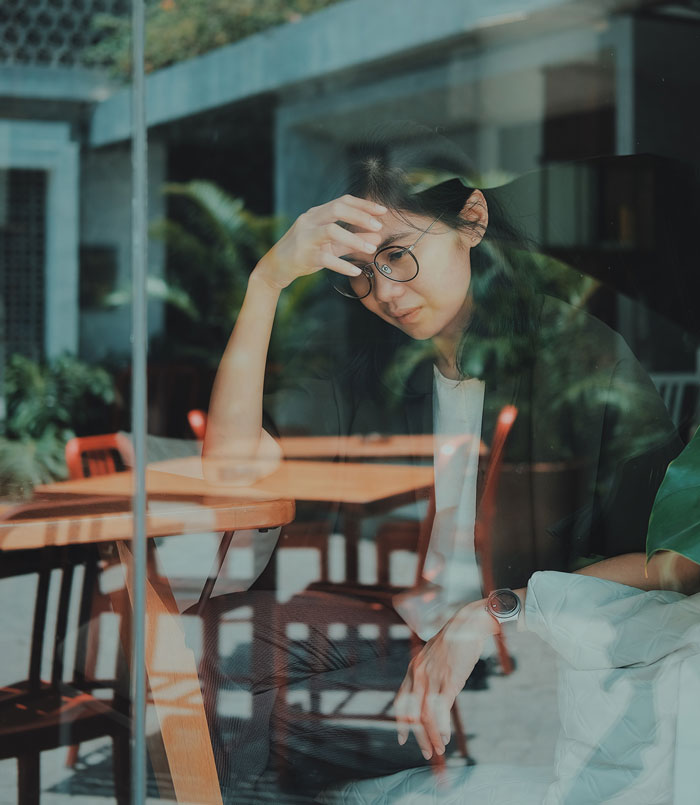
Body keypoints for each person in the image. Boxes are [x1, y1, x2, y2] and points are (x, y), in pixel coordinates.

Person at [196, 127, 700, 801]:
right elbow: (229, 465)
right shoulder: (379, 368)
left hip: (511, 655)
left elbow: (671, 563)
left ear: (472, 220)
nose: (386, 293)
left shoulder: (580, 360)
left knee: (258, 722)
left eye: (399, 256)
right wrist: (267, 278)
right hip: (396, 626)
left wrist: (496, 614)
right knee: (195, 648)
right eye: (363, 276)